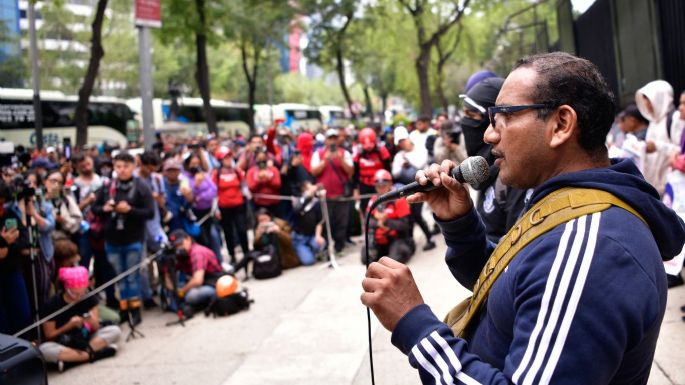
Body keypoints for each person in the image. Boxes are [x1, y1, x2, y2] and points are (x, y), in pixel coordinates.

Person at [361, 52, 685, 385]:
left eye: (502, 116)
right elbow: (515, 288)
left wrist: (415, 324)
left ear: (560, 124)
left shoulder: (593, 248)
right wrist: (460, 225)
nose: (488, 135)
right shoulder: (565, 204)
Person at [460, 76, 531, 242]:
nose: (487, 136)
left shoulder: (517, 175)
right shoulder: (487, 173)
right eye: (464, 115)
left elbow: (514, 254)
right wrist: (456, 220)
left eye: (473, 115)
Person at [92, 152, 154, 327]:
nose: (122, 170)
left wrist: (130, 210)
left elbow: (150, 212)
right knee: (119, 277)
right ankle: (124, 308)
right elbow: (94, 208)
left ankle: (135, 309)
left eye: (126, 166)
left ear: (133, 167)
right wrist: (105, 208)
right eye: (118, 166)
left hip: (133, 238)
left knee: (132, 276)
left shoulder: (141, 186)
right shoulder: (108, 186)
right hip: (112, 239)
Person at [39, 266, 120, 373]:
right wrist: (68, 325)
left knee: (115, 331)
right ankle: (94, 355)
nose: (78, 297)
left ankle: (72, 360)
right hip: (64, 342)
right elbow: (49, 335)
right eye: (74, 293)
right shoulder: (52, 304)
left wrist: (91, 320)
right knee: (44, 349)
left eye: (82, 293)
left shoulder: (88, 297)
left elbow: (96, 327)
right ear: (66, 288)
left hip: (87, 338)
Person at [310, 128, 354, 253]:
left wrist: (340, 160)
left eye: (334, 138)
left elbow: (351, 172)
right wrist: (325, 160)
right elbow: (314, 171)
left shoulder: (344, 153)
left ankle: (339, 246)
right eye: (330, 138)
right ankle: (327, 247)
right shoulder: (318, 153)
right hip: (325, 196)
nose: (332, 141)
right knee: (326, 222)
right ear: (325, 140)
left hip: (341, 194)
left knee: (341, 221)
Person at [392, 126, 436, 251]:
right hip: (408, 188)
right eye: (399, 142)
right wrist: (402, 166)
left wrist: (408, 162)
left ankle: (430, 238)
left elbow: (422, 164)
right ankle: (412, 240)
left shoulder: (420, 149)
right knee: (411, 215)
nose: (402, 143)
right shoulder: (399, 156)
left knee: (418, 214)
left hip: (422, 185)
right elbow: (394, 173)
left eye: (403, 140)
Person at [636, 80, 680, 195]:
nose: (647, 105)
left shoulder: (674, 119)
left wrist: (657, 146)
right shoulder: (653, 122)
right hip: (655, 187)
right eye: (645, 101)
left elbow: (679, 151)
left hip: (671, 187)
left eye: (650, 101)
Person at [166, 229, 224, 314]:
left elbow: (197, 280)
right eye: (176, 246)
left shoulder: (197, 252)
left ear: (188, 239)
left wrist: (182, 291)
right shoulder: (181, 255)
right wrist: (173, 289)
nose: (179, 248)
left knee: (191, 296)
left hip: (214, 284)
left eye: (181, 244)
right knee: (171, 290)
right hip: (202, 282)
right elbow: (168, 274)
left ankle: (210, 300)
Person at [363, 169, 414, 264]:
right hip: (379, 238)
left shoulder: (399, 200)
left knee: (394, 260)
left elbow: (405, 225)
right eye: (378, 187)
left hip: (396, 237)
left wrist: (386, 221)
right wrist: (379, 222)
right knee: (365, 258)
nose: (381, 189)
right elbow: (367, 221)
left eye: (383, 186)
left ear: (390, 184)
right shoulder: (373, 200)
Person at [213, 147, 250, 265]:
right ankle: (232, 255)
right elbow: (214, 192)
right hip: (224, 207)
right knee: (228, 232)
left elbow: (243, 185)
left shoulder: (237, 171)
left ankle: (247, 252)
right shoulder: (216, 173)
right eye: (225, 158)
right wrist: (215, 209)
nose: (228, 160)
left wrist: (248, 194)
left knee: (242, 229)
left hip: (239, 205)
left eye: (229, 157)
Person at [353, 127, 392, 215]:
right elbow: (355, 173)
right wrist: (355, 189)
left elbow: (388, 170)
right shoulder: (358, 153)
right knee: (366, 209)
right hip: (364, 185)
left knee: (381, 207)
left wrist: (389, 185)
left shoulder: (382, 151)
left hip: (380, 185)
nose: (368, 149)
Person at [290, 181, 326, 266]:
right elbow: (296, 211)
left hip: (311, 235)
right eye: (309, 188)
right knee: (309, 261)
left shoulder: (316, 202)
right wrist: (307, 198)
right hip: (299, 237)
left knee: (321, 243)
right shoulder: (298, 200)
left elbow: (319, 221)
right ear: (304, 191)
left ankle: (312, 250)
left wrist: (318, 235)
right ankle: (301, 252)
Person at [246, 149, 282, 217]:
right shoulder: (251, 171)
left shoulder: (273, 170)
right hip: (258, 204)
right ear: (255, 159)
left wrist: (269, 179)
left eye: (263, 158)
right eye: (259, 158)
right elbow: (251, 188)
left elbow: (278, 185)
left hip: (274, 204)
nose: (261, 160)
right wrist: (259, 180)